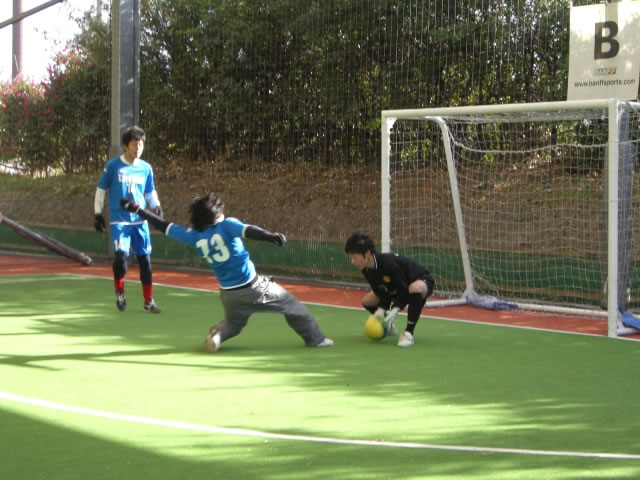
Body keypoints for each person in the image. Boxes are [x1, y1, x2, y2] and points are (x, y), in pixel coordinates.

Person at [120, 193, 333, 353]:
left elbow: (163, 225)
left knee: (235, 324)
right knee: (293, 307)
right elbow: (249, 230)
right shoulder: (227, 225)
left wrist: (137, 209)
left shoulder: (193, 235)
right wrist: (270, 236)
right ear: (216, 214)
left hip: (228, 294)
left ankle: (218, 337)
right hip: (254, 287)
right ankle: (316, 340)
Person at [94, 126, 163, 313]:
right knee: (121, 259)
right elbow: (101, 190)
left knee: (145, 261)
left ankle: (148, 301)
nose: (138, 148)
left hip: (140, 221)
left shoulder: (146, 168)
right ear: (125, 146)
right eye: (134, 145)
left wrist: (156, 205)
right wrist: (98, 213)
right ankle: (120, 291)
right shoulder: (112, 166)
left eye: (140, 145)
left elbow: (149, 191)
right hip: (120, 221)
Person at [344, 232, 435, 347]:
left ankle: (408, 333)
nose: (352, 262)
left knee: (415, 287)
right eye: (351, 258)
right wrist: (381, 310)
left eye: (354, 257)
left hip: (420, 282)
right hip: (398, 287)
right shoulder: (366, 268)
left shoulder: (389, 264)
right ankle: (387, 326)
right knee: (367, 301)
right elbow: (381, 291)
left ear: (367, 254)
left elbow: (404, 289)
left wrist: (395, 309)